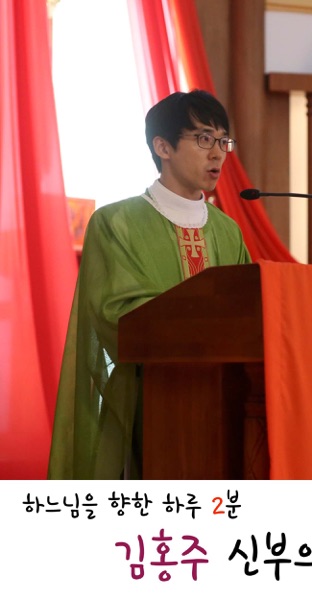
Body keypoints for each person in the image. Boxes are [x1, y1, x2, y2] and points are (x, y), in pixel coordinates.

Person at [48, 90, 252, 479]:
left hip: (224, 402)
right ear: (163, 147)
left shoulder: (228, 231)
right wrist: (200, 326)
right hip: (147, 400)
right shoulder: (116, 222)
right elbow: (113, 313)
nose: (218, 154)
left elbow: (246, 309)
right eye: (204, 139)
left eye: (223, 141)